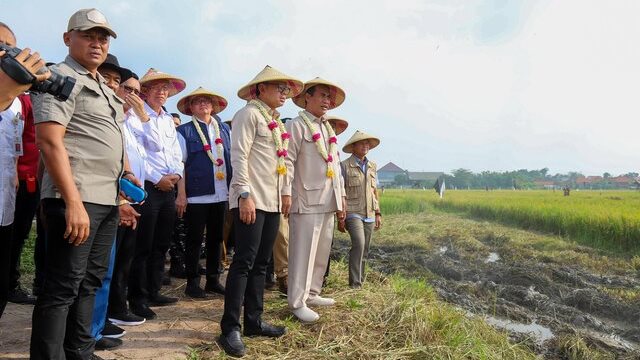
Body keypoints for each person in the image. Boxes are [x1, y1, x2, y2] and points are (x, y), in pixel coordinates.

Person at [29, 8, 140, 359]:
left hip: (106, 199)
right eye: (88, 35)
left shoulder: (102, 86)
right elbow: (50, 141)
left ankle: (80, 350)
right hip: (75, 199)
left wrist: (122, 182)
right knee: (62, 287)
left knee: (90, 282)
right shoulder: (58, 77)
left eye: (103, 38)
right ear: (68, 38)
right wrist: (72, 201)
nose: (97, 43)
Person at [219, 65, 303, 357]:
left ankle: (253, 321)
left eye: (286, 90)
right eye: (279, 88)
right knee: (243, 262)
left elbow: (284, 164)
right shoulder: (248, 115)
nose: (284, 94)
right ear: (260, 89)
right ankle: (230, 328)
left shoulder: (276, 122)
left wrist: (286, 192)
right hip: (251, 199)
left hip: (273, 201)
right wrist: (243, 194)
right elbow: (239, 155)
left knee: (262, 264)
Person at [284, 77, 347, 323]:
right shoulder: (296, 125)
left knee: (321, 251)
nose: (326, 101)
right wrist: (286, 193)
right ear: (306, 97)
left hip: (328, 199)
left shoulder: (328, 129)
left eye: (329, 97)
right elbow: (286, 160)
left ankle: (312, 293)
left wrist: (340, 198)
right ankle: (297, 301)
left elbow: (335, 167)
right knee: (302, 252)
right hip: (306, 198)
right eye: (322, 95)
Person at [0, 23, 50, 318]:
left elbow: (16, 148)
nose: (5, 53)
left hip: (6, 203)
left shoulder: (17, 104)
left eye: (10, 47)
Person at [128, 68, 185, 320]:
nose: (162, 92)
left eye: (165, 88)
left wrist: (175, 175)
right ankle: (137, 297)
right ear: (145, 91)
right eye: (157, 87)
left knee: (162, 242)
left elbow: (174, 152)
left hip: (168, 187)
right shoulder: (134, 116)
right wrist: (157, 178)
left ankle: (154, 290)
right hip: (148, 186)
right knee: (143, 244)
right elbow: (141, 151)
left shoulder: (166, 119)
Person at [175, 87, 231, 298]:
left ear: (214, 106)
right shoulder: (184, 131)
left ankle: (214, 280)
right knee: (194, 239)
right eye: (198, 101)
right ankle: (192, 282)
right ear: (190, 108)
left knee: (217, 238)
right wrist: (182, 194)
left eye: (207, 101)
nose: (203, 104)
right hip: (197, 194)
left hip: (221, 192)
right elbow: (180, 164)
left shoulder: (224, 130)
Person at [338, 130, 382, 288]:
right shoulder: (344, 166)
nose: (365, 146)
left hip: (369, 213)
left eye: (367, 143)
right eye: (362, 143)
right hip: (352, 212)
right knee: (359, 243)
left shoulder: (372, 167)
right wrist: (341, 216)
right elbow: (339, 191)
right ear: (353, 146)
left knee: (365, 249)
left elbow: (374, 191)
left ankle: (360, 282)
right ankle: (355, 285)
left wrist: (378, 212)